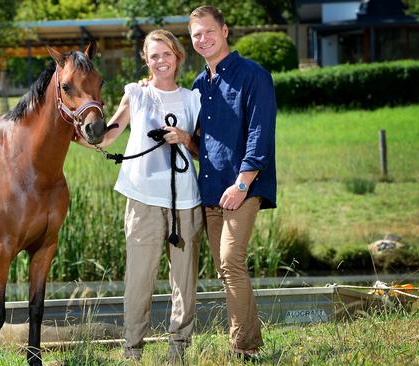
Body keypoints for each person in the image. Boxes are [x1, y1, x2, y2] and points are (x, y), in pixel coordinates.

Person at [95, 29, 203, 363]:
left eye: (166, 54)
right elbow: (107, 136)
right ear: (145, 59)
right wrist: (81, 125)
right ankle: (133, 353)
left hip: (185, 200)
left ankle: (178, 354)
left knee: (184, 283)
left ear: (178, 57)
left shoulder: (193, 98)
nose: (160, 61)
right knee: (138, 282)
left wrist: (184, 137)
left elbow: (201, 151)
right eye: (153, 55)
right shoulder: (136, 94)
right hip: (142, 200)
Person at [187, 5, 277, 359]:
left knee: (229, 260)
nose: (203, 39)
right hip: (210, 190)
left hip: (243, 187)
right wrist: (185, 138)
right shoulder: (198, 84)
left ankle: (242, 347)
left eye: (209, 31)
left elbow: (260, 134)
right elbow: (205, 146)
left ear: (225, 31)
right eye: (196, 35)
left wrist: (242, 184)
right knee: (228, 270)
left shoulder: (253, 75)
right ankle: (252, 344)